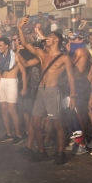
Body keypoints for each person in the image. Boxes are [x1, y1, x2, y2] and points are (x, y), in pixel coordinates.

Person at [18, 16, 76, 165]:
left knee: (57, 124)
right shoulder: (42, 54)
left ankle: (61, 152)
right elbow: (24, 43)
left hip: (53, 91)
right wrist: (20, 28)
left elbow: (71, 78)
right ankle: (42, 151)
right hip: (41, 92)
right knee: (36, 123)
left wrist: (73, 96)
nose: (46, 38)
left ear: (56, 40)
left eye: (49, 36)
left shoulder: (64, 58)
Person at [0, 38, 27, 145]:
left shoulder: (15, 56)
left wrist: (24, 87)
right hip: (2, 82)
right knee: (3, 109)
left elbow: (23, 72)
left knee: (12, 110)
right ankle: (8, 133)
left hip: (12, 82)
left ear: (7, 46)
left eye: (0, 46)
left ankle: (18, 135)